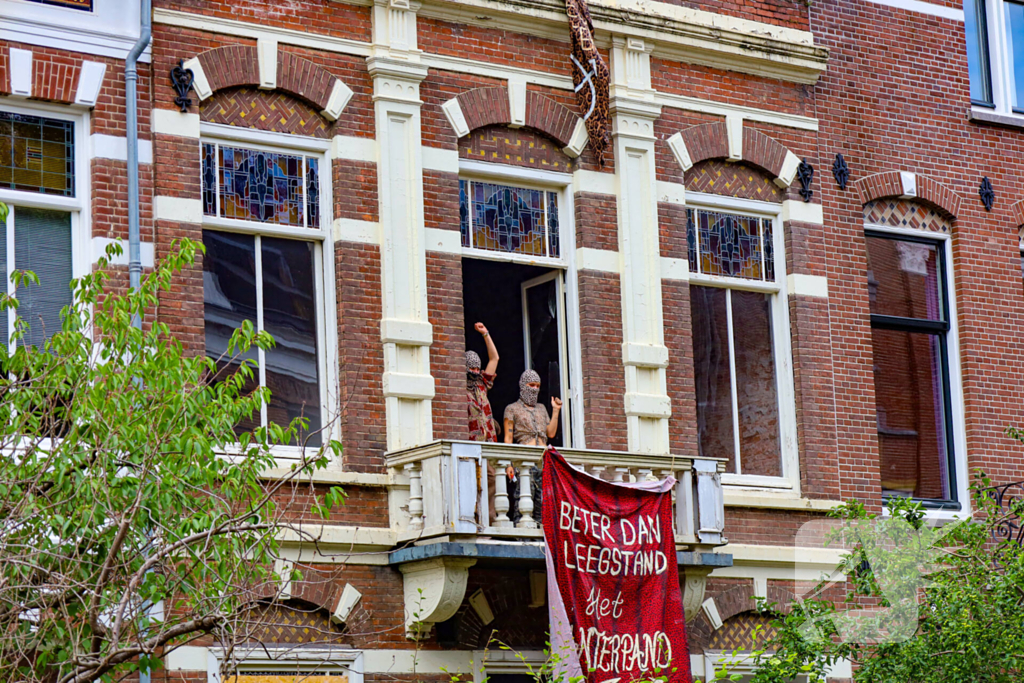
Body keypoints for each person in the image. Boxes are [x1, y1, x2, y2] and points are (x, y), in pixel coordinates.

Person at [466, 322, 513, 525]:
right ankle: (474, 519)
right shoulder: (460, 389)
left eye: (478, 367)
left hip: (488, 443)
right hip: (470, 444)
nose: (476, 371)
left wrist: (486, 334)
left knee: (492, 479)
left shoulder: (481, 385)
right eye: (472, 368)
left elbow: (494, 358)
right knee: (472, 482)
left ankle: (491, 518)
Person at [503, 369, 562, 446]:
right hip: (526, 454)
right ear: (523, 386)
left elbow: (551, 433)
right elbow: (508, 438)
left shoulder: (541, 408)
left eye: (537, 386)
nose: (535, 389)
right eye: (531, 385)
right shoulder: (512, 409)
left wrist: (556, 410)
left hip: (544, 454)